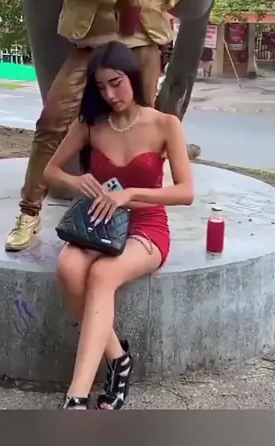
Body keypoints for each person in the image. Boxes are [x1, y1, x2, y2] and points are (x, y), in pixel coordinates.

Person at [5, 0, 187, 252]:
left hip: (142, 42)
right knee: (52, 122)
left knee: (142, 130)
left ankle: (136, 213)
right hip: (91, 43)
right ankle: (29, 211)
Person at [43, 41, 194, 410]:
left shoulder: (165, 124)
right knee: (68, 266)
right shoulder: (91, 124)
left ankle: (76, 398)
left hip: (147, 225)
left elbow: (186, 192)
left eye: (116, 83)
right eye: (101, 87)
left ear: (133, 77)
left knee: (103, 274)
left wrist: (130, 194)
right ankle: (119, 359)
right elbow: (50, 171)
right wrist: (76, 181)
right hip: (100, 222)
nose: (110, 95)